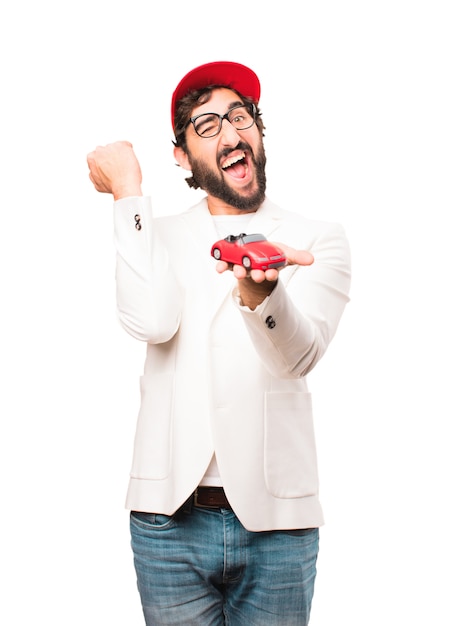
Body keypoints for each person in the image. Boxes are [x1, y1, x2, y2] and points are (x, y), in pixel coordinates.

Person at [87, 60, 351, 626]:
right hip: (168, 522)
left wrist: (263, 296)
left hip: (278, 524)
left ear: (258, 131)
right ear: (181, 155)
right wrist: (128, 195)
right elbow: (149, 322)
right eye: (207, 126)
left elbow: (299, 356)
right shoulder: (153, 234)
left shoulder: (318, 239)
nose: (231, 134)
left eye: (240, 117)